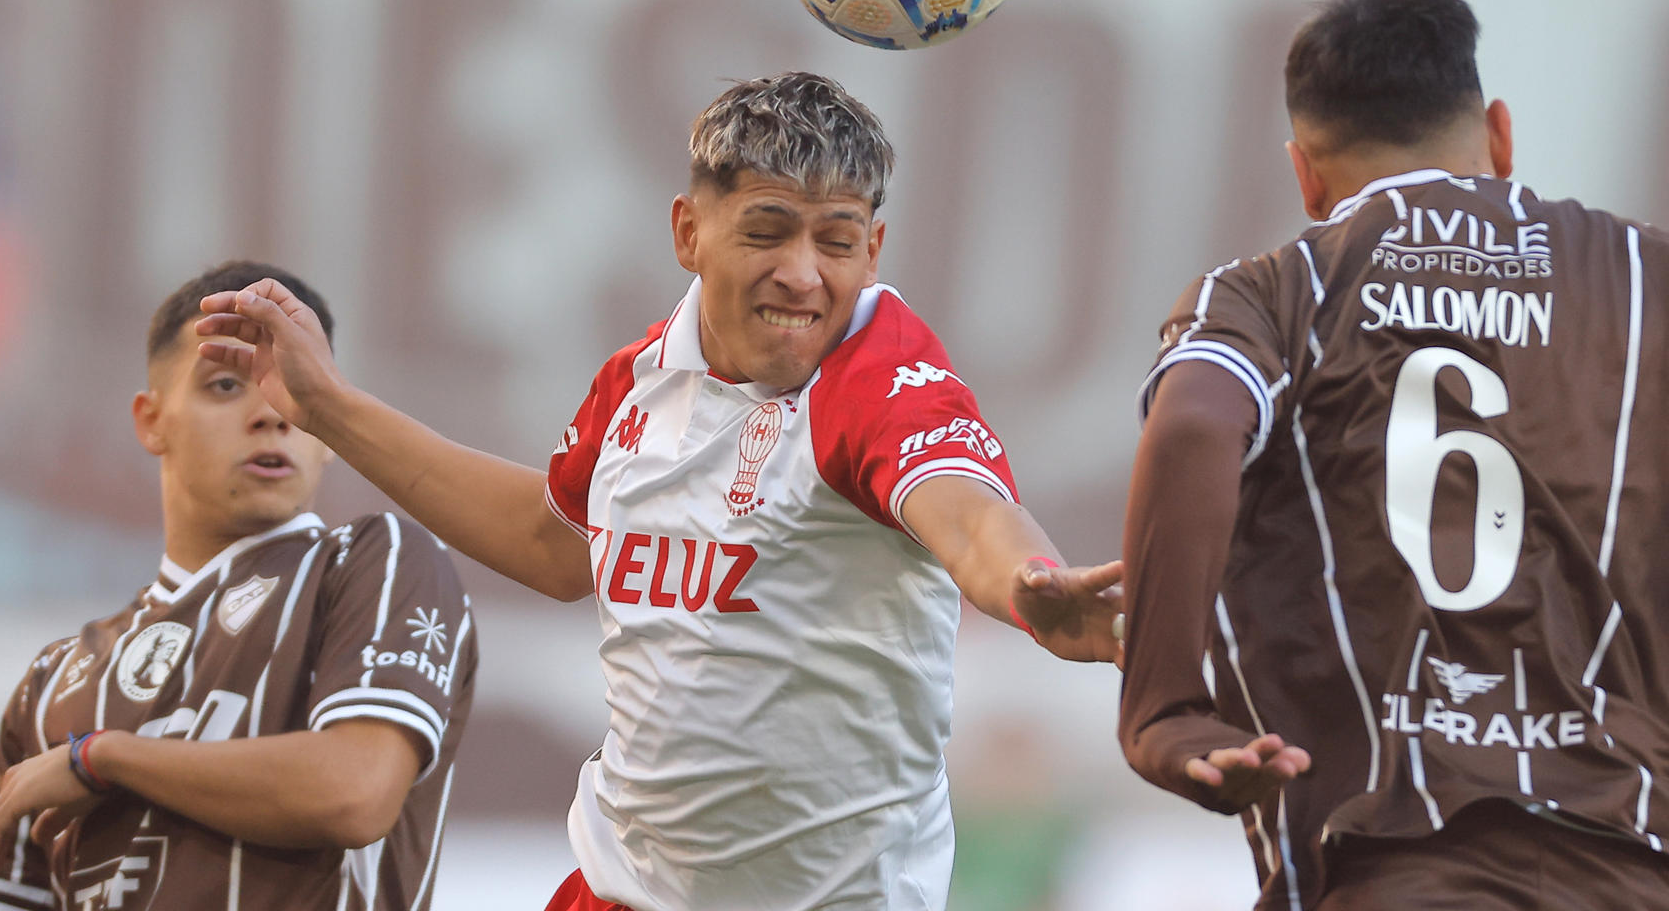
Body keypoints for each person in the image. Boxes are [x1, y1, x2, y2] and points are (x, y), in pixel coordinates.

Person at [195, 72, 1123, 911]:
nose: (803, 273)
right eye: (766, 231)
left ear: (873, 250)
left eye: (836, 241)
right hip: (618, 890)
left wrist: (1028, 585)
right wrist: (329, 408)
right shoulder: (639, 379)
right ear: (689, 232)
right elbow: (553, 545)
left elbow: (968, 516)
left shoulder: (881, 380)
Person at [1117, 0, 1669, 909]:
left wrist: (1164, 709)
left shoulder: (1266, 294)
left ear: (1306, 176)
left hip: (1393, 872)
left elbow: (1192, 425)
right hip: (1646, 872)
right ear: (1500, 136)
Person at [0, 261, 478, 911]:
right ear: (151, 420)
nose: (271, 414)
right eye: (226, 384)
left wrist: (106, 759)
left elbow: (355, 794)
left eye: (298, 388)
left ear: (329, 428)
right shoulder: (51, 683)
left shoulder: (377, 562)